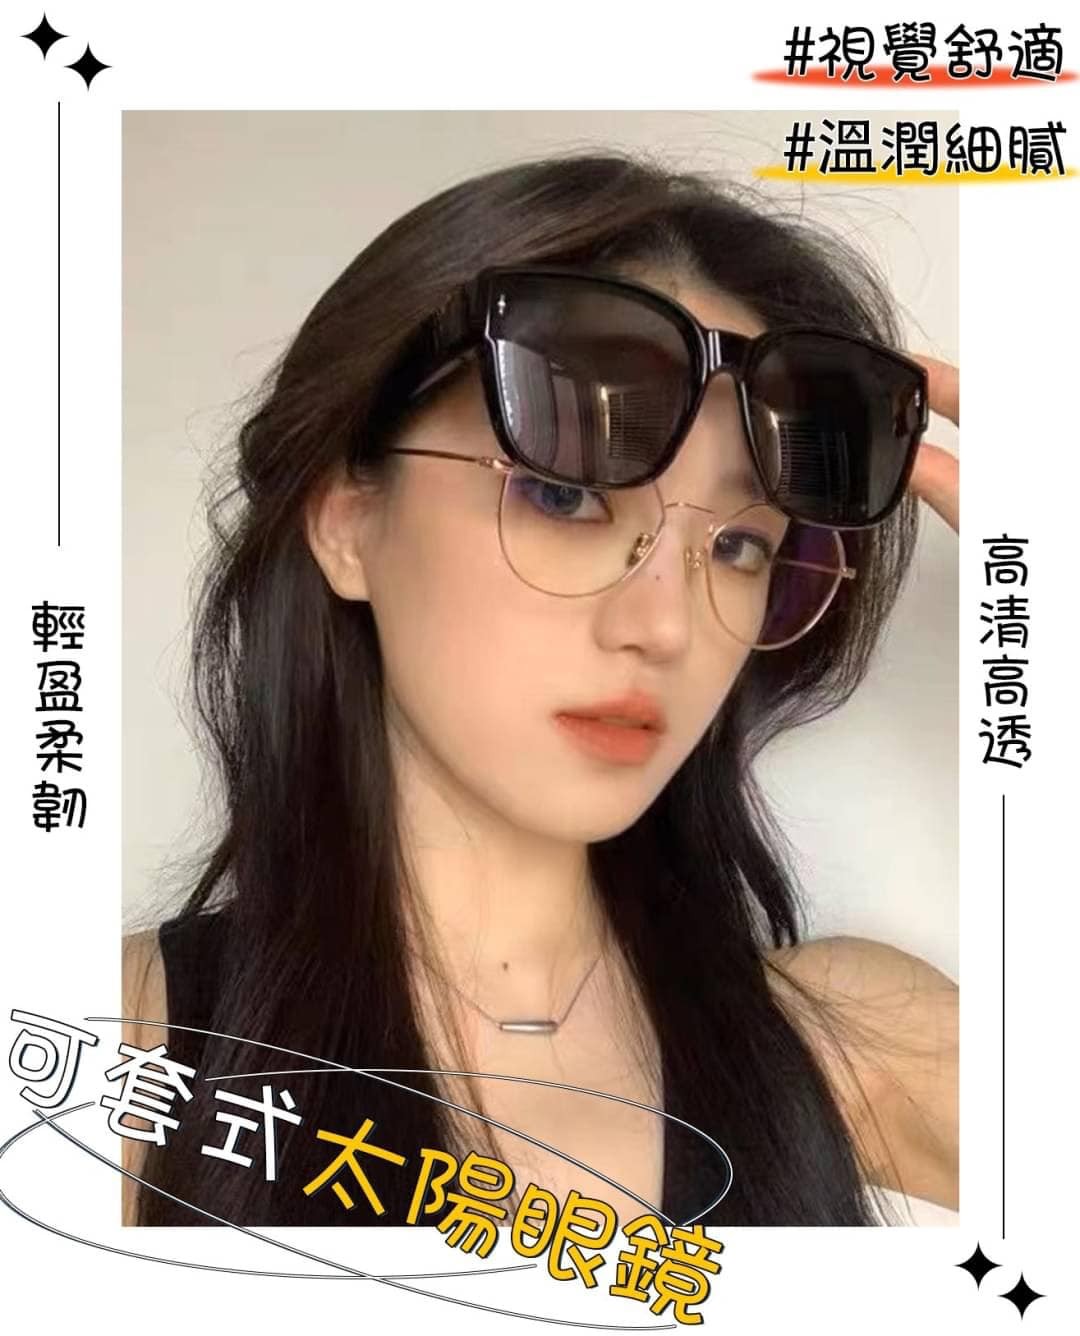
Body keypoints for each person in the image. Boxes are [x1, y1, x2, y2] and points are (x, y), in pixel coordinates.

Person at [121, 149, 959, 1230]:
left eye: (741, 544)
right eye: (566, 495)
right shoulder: (125, 1046)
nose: (665, 625)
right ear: (347, 520)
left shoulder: (858, 1045)